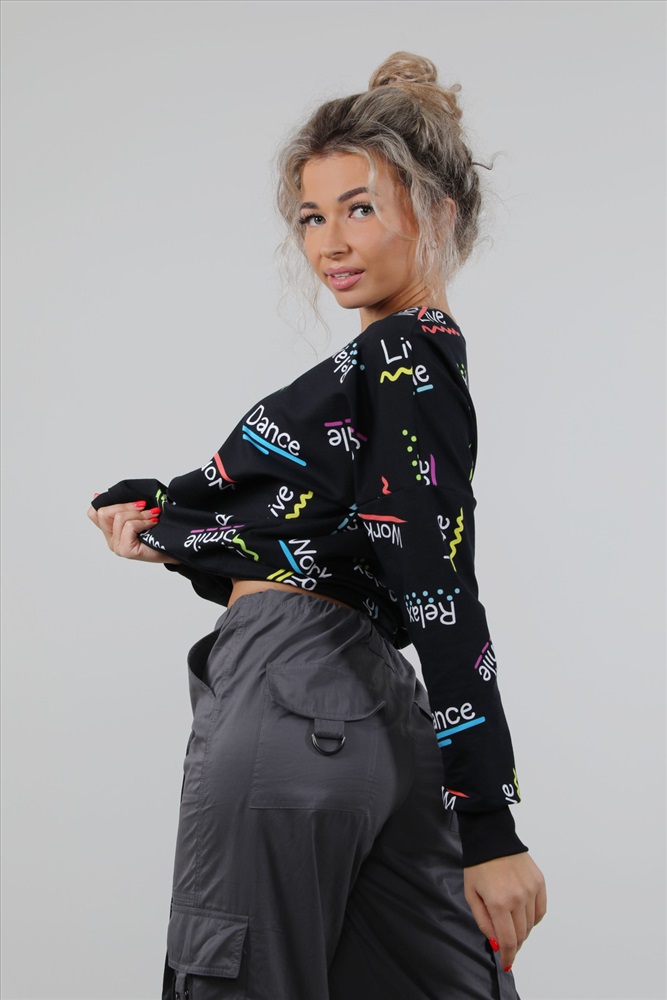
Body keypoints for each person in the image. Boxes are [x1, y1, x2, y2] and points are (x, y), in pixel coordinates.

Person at [88, 51, 546, 1000]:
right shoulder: (397, 367)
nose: (330, 242)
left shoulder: (401, 359)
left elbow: (437, 586)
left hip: (291, 690)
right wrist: (170, 521)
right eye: (310, 216)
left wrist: (491, 824)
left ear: (437, 215)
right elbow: (331, 533)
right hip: (375, 712)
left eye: (359, 208)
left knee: (237, 979)